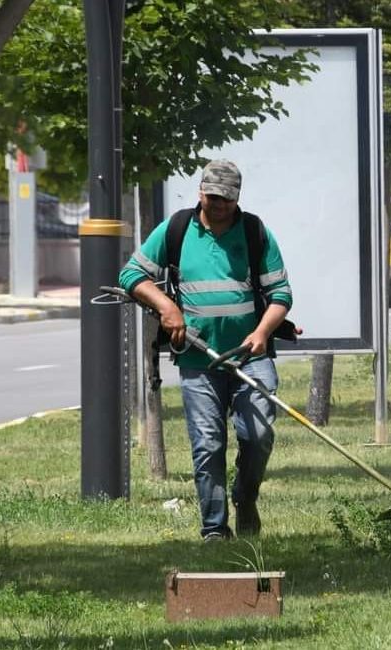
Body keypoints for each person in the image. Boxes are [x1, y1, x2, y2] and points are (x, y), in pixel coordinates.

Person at [119, 159, 293, 540]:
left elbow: (281, 295)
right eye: (212, 197)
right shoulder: (177, 230)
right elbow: (131, 275)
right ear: (200, 192)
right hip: (199, 360)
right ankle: (214, 529)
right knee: (207, 444)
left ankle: (245, 499)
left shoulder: (254, 232)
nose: (218, 205)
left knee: (258, 435)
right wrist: (167, 308)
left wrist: (263, 332)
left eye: (226, 200)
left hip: (251, 357)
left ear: (237, 199)